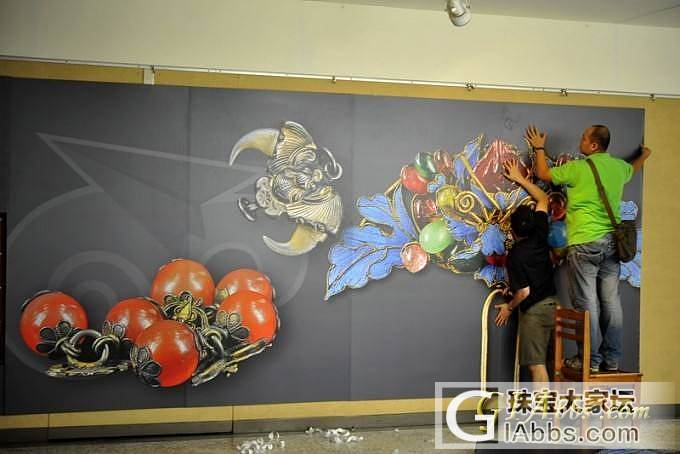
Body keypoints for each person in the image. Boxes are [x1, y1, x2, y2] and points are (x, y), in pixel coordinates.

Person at [525, 124, 652, 373]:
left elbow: (543, 173)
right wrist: (644, 155)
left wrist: (539, 147)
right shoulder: (617, 167)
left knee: (587, 304)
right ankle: (611, 360)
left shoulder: (578, 168)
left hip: (584, 242)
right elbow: (632, 169)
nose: (580, 141)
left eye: (584, 138)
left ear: (593, 145)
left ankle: (589, 361)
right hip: (612, 243)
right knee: (611, 302)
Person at [495, 159, 557, 383]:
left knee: (536, 366)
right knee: (549, 364)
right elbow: (543, 198)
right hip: (553, 307)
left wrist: (509, 308)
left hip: (535, 313)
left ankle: (542, 407)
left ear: (512, 231)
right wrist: (520, 179)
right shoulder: (540, 232)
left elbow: (524, 292)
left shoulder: (515, 256)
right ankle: (550, 404)